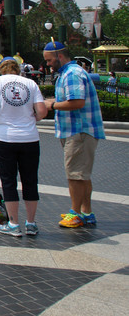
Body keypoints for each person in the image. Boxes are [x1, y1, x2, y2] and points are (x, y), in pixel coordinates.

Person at [43, 41, 106, 228]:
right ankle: (86, 212)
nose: (48, 64)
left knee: (75, 175)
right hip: (80, 131)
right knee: (82, 175)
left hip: (78, 131)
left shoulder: (71, 74)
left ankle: (75, 213)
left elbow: (77, 102)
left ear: (60, 56)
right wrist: (54, 100)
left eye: (49, 60)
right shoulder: (70, 73)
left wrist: (52, 105)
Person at [0, 57, 47, 236]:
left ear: (1, 69)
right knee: (30, 180)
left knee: (9, 181)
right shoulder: (30, 83)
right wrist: (33, 119)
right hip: (30, 138)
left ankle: (13, 223)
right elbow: (42, 111)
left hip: (5, 137)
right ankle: (31, 223)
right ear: (18, 69)